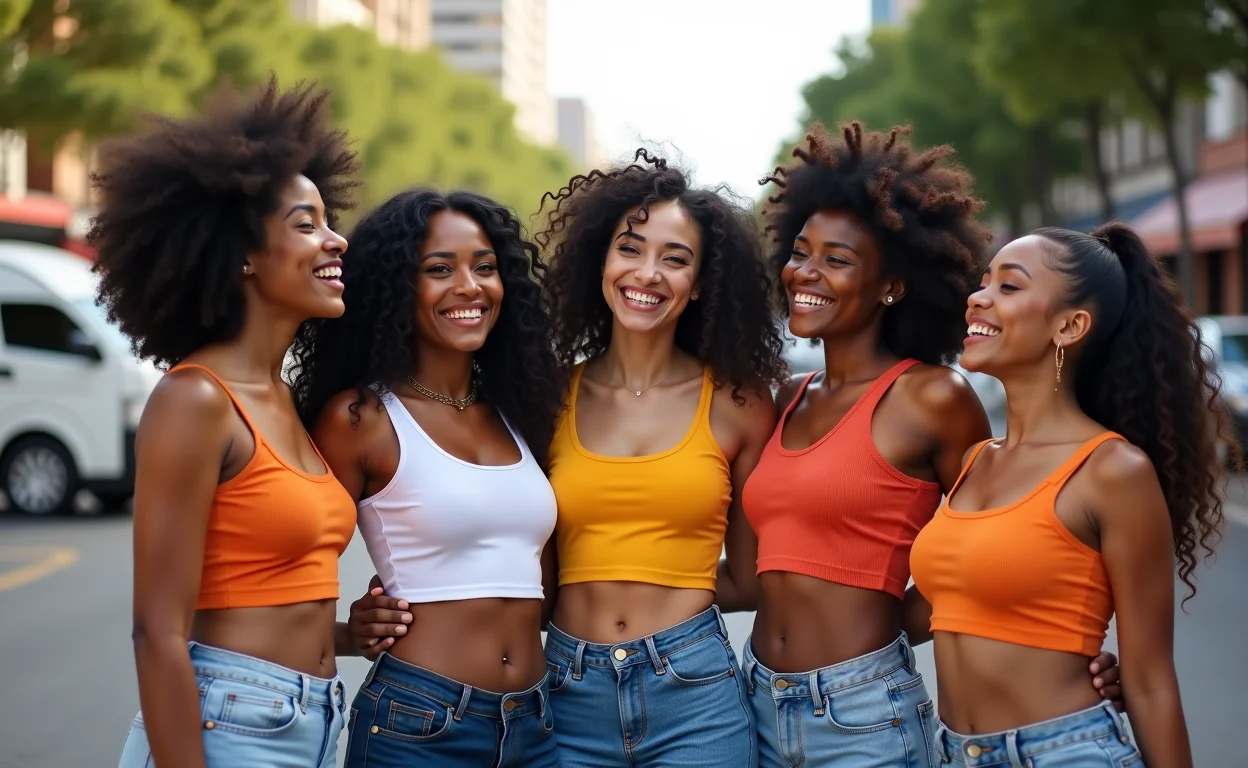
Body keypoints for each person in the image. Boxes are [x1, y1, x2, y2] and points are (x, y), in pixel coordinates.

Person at [737, 121, 1123, 768]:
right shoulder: (785, 398)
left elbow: (1004, 533)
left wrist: (1054, 651)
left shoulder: (931, 399)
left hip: (860, 715)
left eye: (838, 260)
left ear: (891, 286)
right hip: (753, 701)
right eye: (801, 251)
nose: (806, 271)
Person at [99, 77, 385, 768]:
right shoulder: (196, 400)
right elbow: (156, 631)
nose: (336, 240)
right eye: (306, 223)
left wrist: (348, 634)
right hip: (229, 727)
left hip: (312, 723)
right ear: (243, 255)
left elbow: (257, 591)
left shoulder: (283, 397)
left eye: (330, 218)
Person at [911, 222, 1236, 767]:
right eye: (983, 282)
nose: (978, 298)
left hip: (1065, 753)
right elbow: (944, 605)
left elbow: (1151, 682)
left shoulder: (1112, 470)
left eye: (1008, 287)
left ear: (1069, 326)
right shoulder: (975, 460)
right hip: (951, 753)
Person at [291, 188, 566, 767]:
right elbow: (289, 571)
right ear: (397, 288)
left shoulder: (521, 412)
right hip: (420, 725)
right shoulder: (360, 419)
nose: (469, 286)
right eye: (439, 269)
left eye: (485, 268)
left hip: (537, 724)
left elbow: (537, 587)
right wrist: (350, 632)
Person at [536, 149, 786, 767]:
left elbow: (750, 578)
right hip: (568, 693)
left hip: (696, 695)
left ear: (699, 284)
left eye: (675, 260)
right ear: (601, 261)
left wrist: (670, 607)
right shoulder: (546, 400)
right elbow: (533, 578)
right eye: (631, 249)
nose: (647, 273)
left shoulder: (738, 403)